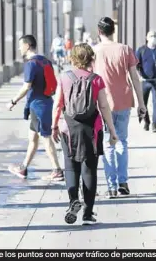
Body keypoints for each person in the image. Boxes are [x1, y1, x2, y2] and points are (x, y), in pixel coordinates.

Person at [52, 43, 118, 225]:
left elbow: (58, 104)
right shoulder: (96, 80)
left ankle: (73, 200)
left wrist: (54, 126)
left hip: (68, 128)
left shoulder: (64, 77)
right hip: (92, 130)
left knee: (70, 166)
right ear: (91, 59)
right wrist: (112, 131)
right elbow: (104, 106)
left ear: (72, 58)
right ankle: (88, 214)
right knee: (89, 170)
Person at [93, 17, 146, 197]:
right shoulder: (125, 49)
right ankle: (123, 182)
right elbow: (134, 77)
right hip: (124, 100)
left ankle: (111, 186)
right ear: (113, 31)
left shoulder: (95, 51)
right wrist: (141, 103)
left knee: (109, 144)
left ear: (99, 32)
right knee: (122, 141)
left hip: (103, 103)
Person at [7, 35, 64, 181]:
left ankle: (57, 170)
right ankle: (23, 168)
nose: (19, 48)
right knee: (33, 137)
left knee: (45, 137)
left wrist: (13, 101)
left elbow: (26, 86)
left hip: (38, 106)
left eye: (21, 45)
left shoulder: (31, 64)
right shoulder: (45, 61)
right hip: (45, 103)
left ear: (27, 45)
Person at [135, 31, 156, 133]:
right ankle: (146, 121)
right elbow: (136, 65)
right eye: (151, 36)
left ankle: (154, 124)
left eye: (155, 36)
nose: (153, 38)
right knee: (143, 103)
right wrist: (139, 76)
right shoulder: (141, 50)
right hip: (145, 81)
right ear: (147, 38)